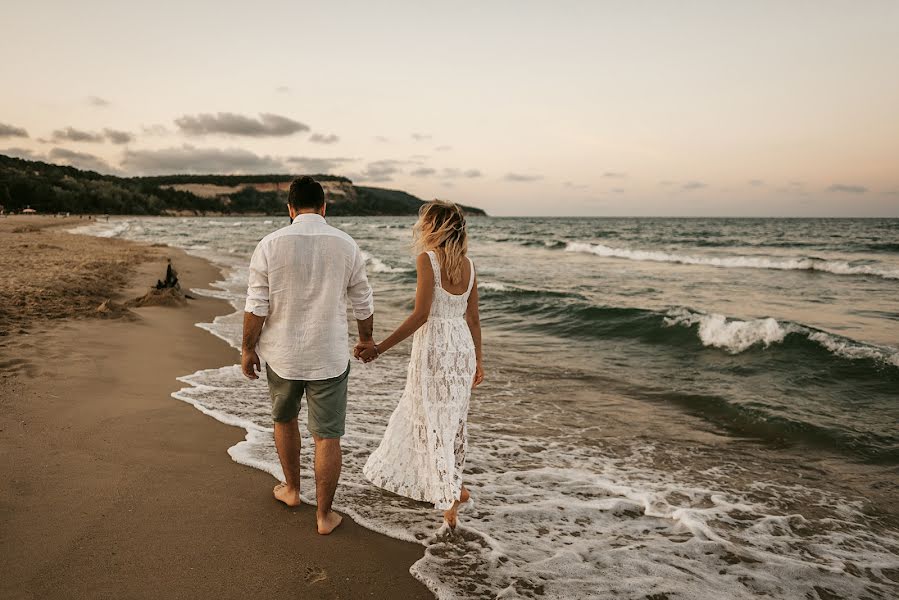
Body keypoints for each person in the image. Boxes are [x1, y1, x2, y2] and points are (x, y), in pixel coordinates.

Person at [241, 176, 375, 535]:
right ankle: (324, 516)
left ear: (290, 208)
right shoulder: (346, 245)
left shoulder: (269, 245)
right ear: (324, 207)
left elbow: (256, 305)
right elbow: (363, 300)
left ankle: (292, 490)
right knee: (327, 436)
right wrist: (366, 340)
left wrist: (247, 348)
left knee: (285, 420)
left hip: (282, 355)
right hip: (329, 356)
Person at [359, 200, 484, 529]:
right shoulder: (469, 266)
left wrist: (380, 347)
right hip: (461, 349)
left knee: (430, 417)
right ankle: (452, 485)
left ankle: (448, 497)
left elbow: (421, 316)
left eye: (426, 223)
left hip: (435, 348)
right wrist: (479, 361)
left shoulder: (427, 260)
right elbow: (473, 319)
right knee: (451, 420)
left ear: (434, 227)